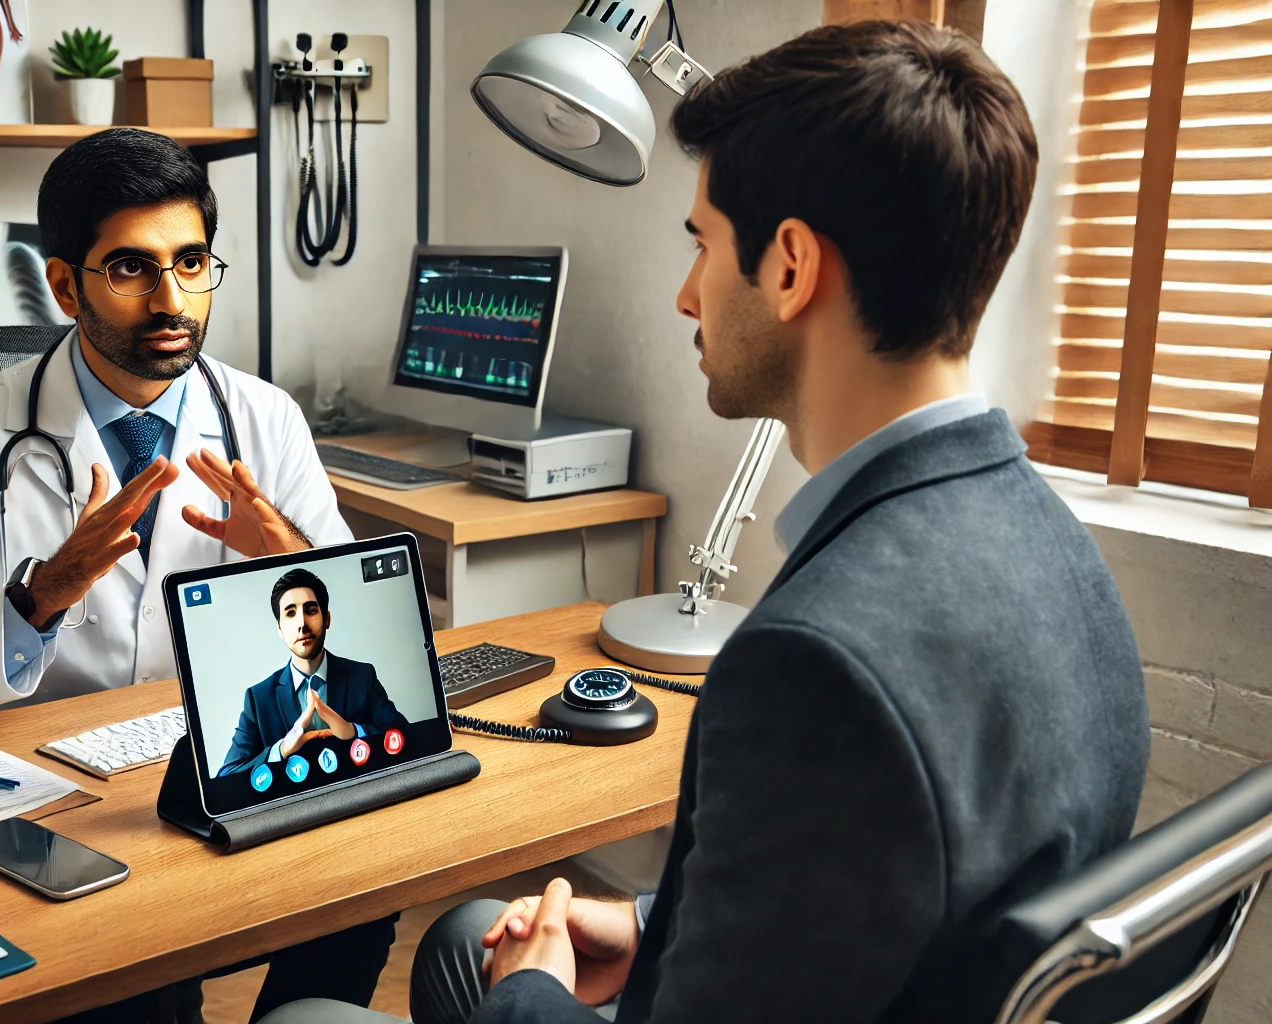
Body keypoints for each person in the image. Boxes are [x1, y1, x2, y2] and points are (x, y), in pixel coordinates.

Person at [261, 21, 1149, 1024]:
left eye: (702, 245)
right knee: (468, 934)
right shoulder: (1064, 556)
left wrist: (532, 999)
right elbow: (886, 897)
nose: (687, 295)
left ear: (790, 266)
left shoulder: (815, 665)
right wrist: (650, 924)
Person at [0, 128, 394, 1023]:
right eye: (132, 269)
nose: (172, 298)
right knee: (139, 994)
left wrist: (295, 560)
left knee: (367, 893)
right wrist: (40, 596)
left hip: (221, 766)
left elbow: (364, 650)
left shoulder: (264, 419)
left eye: (191, 262)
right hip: (51, 800)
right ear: (65, 284)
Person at [219, 568, 407, 776]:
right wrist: (281, 749)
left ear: (327, 619)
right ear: (279, 629)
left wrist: (353, 731)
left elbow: (406, 737)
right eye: (290, 613)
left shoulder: (363, 677)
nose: (302, 624)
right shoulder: (258, 699)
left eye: (310, 610)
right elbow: (227, 776)